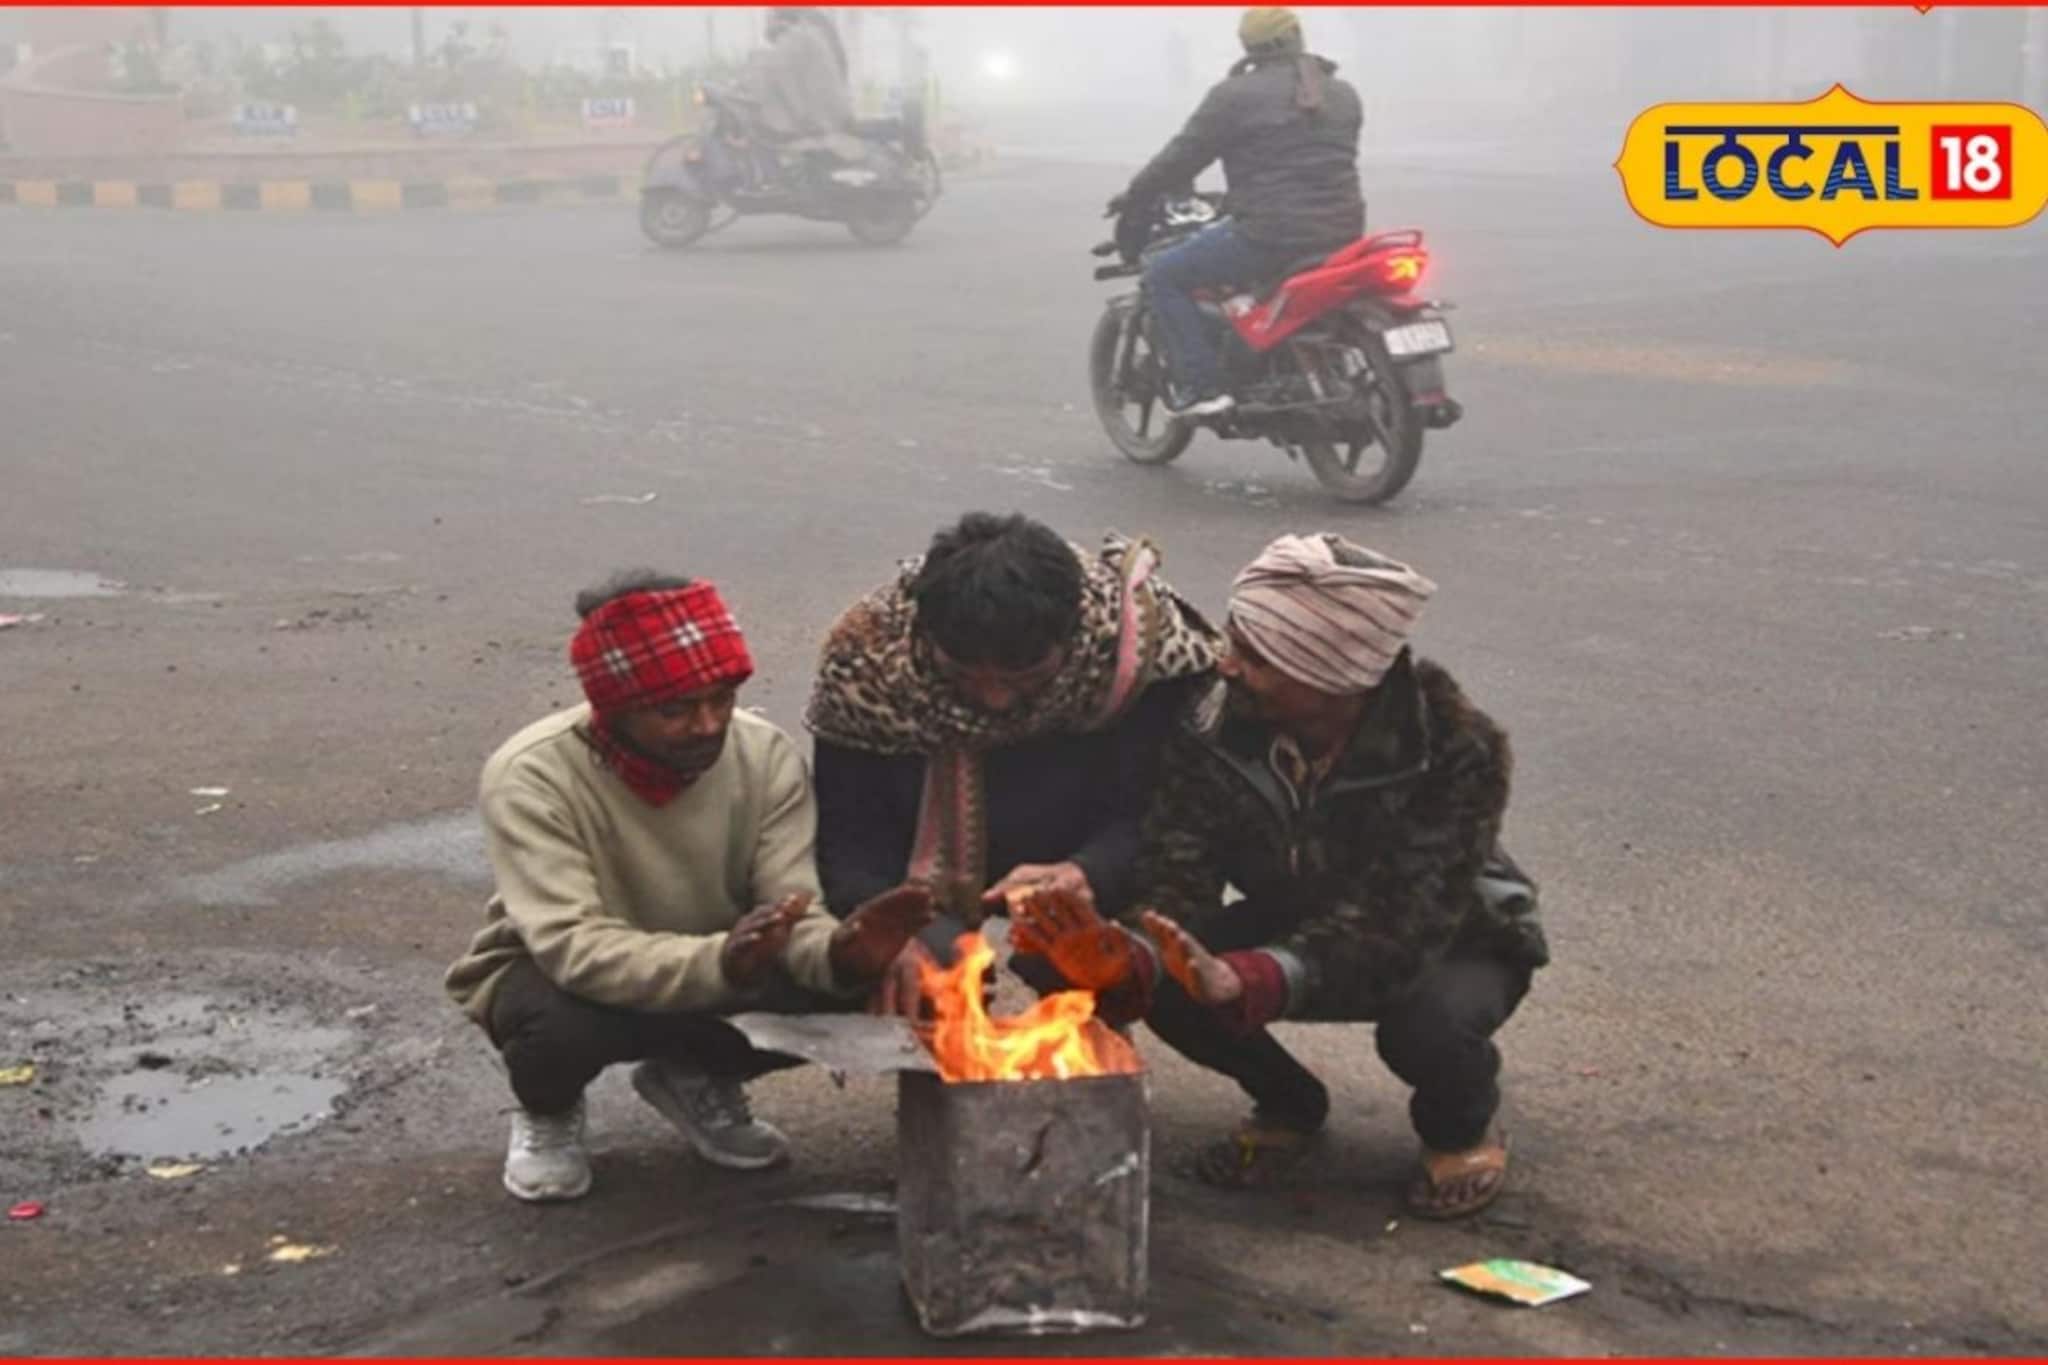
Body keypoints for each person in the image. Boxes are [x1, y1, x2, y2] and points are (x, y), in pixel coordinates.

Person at [1010, 534, 1547, 1219]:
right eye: (1235, 639)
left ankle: (1460, 1130)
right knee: (1172, 983)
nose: (1226, 663)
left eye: (1256, 657)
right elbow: (1179, 867)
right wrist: (1129, 954)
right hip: (1299, 910)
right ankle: (1290, 1103)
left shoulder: (1454, 744)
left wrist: (1252, 976)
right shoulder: (1211, 722)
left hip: (1454, 933)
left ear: (1334, 678)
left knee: (1425, 1028)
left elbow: (1400, 924)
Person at [444, 570, 933, 1202]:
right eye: (674, 710)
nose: (707, 725)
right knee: (555, 1032)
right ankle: (549, 1110)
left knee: (876, 993)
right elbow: (572, 946)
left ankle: (693, 1076)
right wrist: (721, 961)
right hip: (568, 974)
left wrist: (843, 954)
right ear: (614, 708)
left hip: (728, 955)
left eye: (721, 699)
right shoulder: (531, 775)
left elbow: (792, 906)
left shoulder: (763, 756)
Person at [805, 513, 1221, 1007]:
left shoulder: (1134, 658)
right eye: (965, 675)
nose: (996, 701)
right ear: (927, 639)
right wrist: (891, 932)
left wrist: (1090, 871)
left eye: (1025, 677)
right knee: (937, 973)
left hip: (1085, 846)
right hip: (911, 866)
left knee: (1112, 958)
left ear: (1072, 637)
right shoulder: (865, 665)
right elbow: (848, 841)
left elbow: (1163, 816)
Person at [1110, 7, 1366, 418]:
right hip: (1343, 231)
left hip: (1268, 234)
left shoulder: (1233, 97)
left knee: (1164, 274)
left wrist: (1134, 194)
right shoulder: (1341, 93)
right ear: (1297, 35)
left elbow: (1182, 157)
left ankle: (1201, 387)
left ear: (1248, 45)